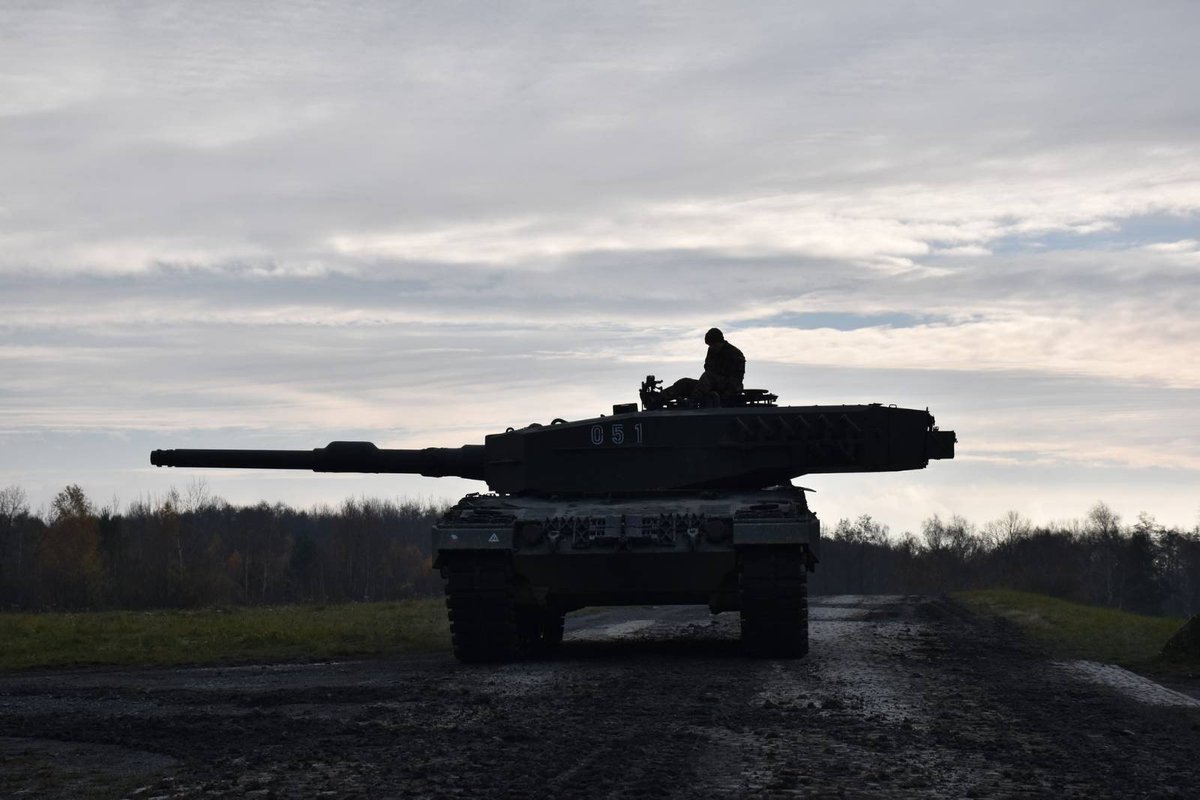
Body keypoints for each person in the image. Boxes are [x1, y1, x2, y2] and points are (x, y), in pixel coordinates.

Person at [661, 327, 745, 406]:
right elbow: (708, 367)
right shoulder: (712, 351)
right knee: (685, 383)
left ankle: (692, 401)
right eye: (710, 345)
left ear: (720, 342)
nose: (711, 348)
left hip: (728, 389)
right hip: (710, 386)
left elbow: (736, 381)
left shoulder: (735, 354)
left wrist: (725, 395)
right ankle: (659, 397)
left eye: (713, 345)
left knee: (708, 376)